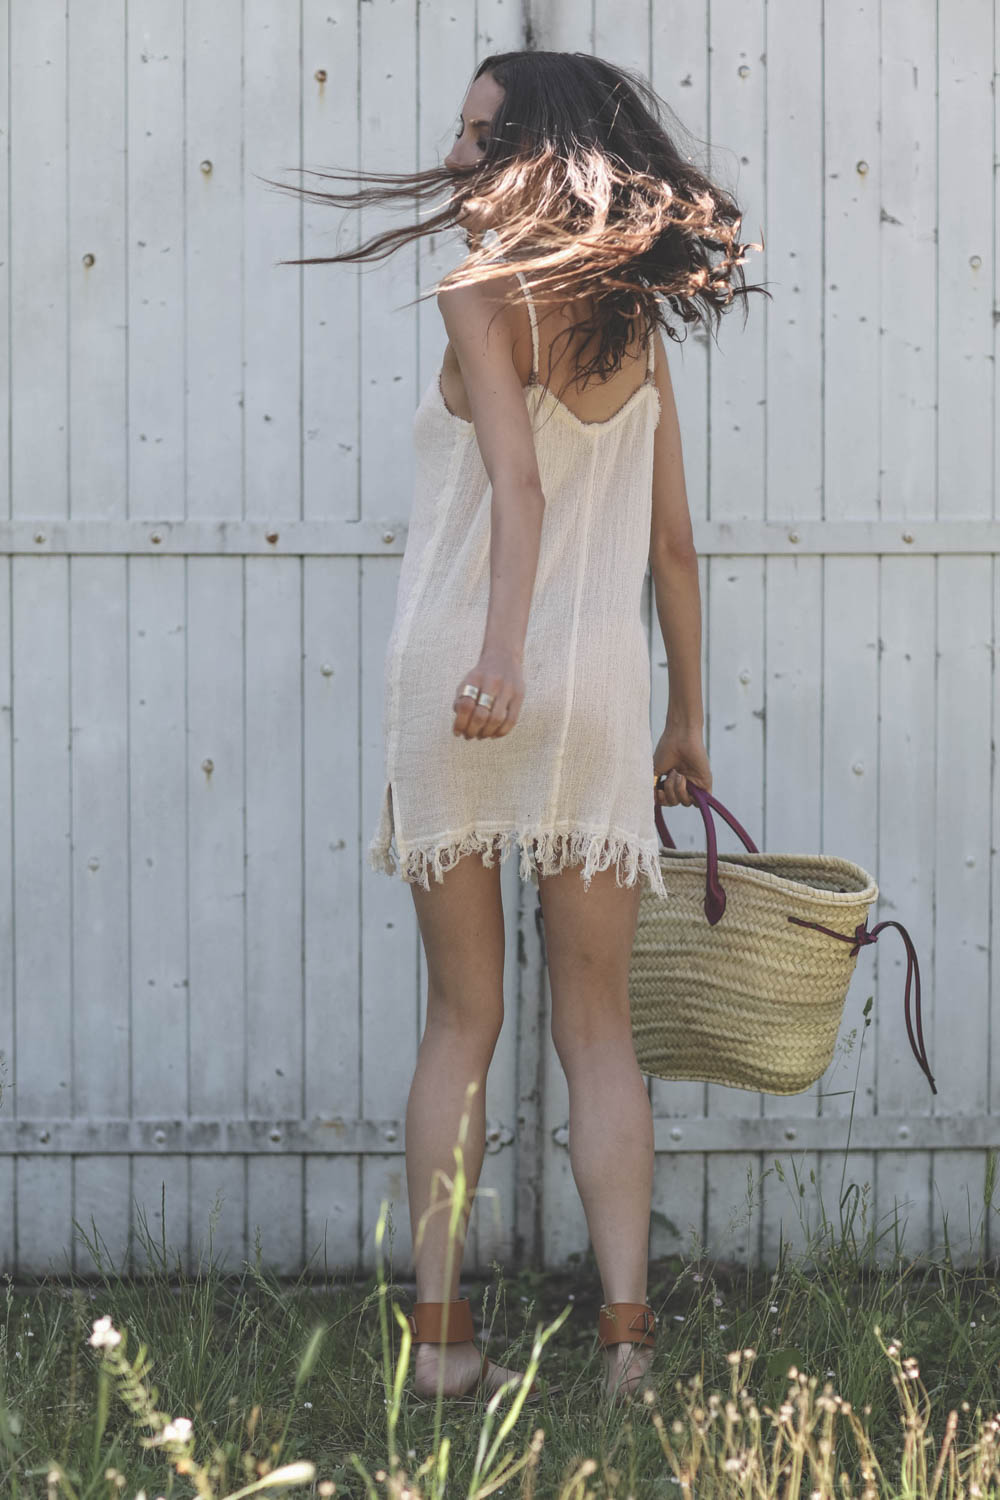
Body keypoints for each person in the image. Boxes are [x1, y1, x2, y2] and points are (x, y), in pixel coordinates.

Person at [269, 49, 766, 1404]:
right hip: (600, 690)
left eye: (480, 134)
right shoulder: (634, 323)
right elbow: (672, 547)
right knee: (597, 1029)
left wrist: (496, 658)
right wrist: (689, 716)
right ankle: (625, 1351)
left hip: (464, 678)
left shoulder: (478, 291)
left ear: (539, 146)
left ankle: (443, 1352)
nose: (453, 155)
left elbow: (517, 491)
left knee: (463, 1018)